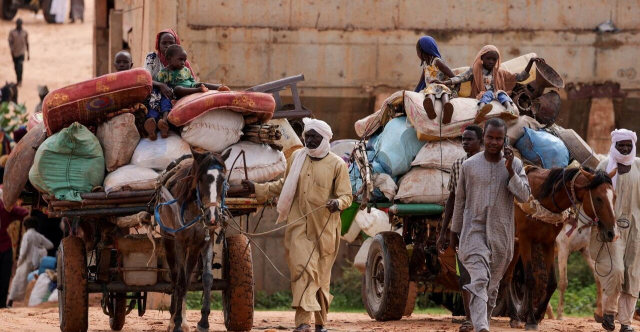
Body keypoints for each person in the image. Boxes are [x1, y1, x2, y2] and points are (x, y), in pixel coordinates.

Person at [242, 118, 352, 332]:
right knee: (303, 270)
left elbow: (346, 195)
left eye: (314, 137)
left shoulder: (337, 164)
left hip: (325, 229)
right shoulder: (297, 158)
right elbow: (285, 185)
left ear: (324, 139)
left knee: (320, 276)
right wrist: (257, 188)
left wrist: (337, 203)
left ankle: (321, 324)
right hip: (298, 224)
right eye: (307, 136)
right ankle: (302, 323)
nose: (309, 140)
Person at [450, 118, 530, 332]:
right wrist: (454, 230)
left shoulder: (515, 165)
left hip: (502, 234)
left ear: (505, 141)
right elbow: (459, 200)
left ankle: (481, 321)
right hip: (472, 231)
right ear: (483, 138)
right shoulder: (469, 166)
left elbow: (524, 196)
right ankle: (482, 327)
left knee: (491, 286)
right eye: (490, 137)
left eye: (499, 138)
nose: (494, 142)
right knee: (480, 278)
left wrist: (511, 170)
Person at [590, 129, 640, 332]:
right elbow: (595, 198)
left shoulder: (638, 165)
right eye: (621, 145)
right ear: (615, 145)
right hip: (612, 228)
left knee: (633, 275)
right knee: (617, 271)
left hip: (636, 229)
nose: (625, 148)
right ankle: (609, 312)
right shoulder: (604, 167)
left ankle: (625, 323)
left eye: (628, 144)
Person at [436, 124, 483, 332]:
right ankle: (470, 319)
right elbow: (452, 200)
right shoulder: (457, 166)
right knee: (464, 274)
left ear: (480, 142)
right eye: (463, 139)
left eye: (470, 139)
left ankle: (483, 317)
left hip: (487, 226)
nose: (465, 142)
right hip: (464, 226)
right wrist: (446, 231)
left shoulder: (492, 164)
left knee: (485, 275)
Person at [439, 45, 544, 123]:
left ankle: (509, 110)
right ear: (482, 58)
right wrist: (444, 82)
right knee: (487, 94)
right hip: (482, 96)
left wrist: (530, 62)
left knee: (502, 94)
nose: (491, 62)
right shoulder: (474, 71)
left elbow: (521, 77)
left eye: (494, 59)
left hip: (496, 96)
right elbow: (460, 78)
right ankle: (481, 110)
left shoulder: (500, 73)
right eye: (488, 58)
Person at [149, 44, 229, 140]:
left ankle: (220, 87)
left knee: (201, 83)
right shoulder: (163, 73)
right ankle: (199, 90)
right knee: (177, 89)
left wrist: (196, 85)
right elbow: (161, 87)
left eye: (184, 60)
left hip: (191, 86)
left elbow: (192, 81)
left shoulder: (186, 70)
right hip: (178, 91)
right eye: (180, 59)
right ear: (170, 59)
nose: (183, 62)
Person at [7, 216, 53, 307]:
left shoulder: (27, 235)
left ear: (26, 226)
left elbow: (23, 251)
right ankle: (27, 302)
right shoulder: (38, 235)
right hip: (35, 263)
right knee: (30, 282)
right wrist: (40, 248)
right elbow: (50, 245)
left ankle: (10, 302)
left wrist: (19, 262)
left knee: (17, 282)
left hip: (25, 262)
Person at [414, 36, 458, 124]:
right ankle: (430, 108)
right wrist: (414, 92)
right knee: (430, 92)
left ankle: (447, 108)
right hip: (430, 88)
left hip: (442, 85)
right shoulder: (425, 64)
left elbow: (453, 76)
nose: (417, 54)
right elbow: (421, 81)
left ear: (422, 51)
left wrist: (452, 87)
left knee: (443, 93)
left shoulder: (437, 62)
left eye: (417, 52)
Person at [0, 199, 29, 308]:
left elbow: (23, 213)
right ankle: (2, 304)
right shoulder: (4, 207)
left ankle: (2, 304)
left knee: (5, 277)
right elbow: (24, 213)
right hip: (5, 246)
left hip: (5, 247)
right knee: (4, 277)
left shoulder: (4, 207)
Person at [8, 18, 29, 87]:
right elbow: (10, 42)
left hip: (21, 53)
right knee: (16, 68)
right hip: (15, 53)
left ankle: (20, 81)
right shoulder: (12, 32)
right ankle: (18, 80)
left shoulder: (25, 32)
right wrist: (11, 50)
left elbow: (27, 43)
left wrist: (28, 54)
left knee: (20, 67)